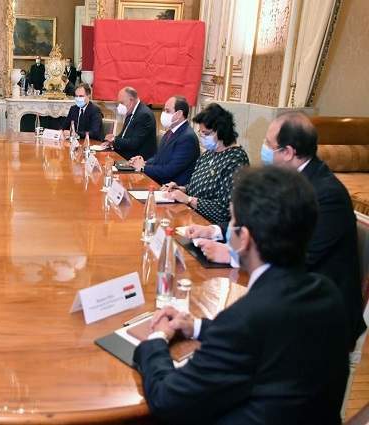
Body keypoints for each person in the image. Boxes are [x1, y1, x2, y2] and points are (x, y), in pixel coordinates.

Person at [135, 166, 350, 424]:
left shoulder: (246, 318)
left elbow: (167, 399)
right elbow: (266, 339)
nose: (229, 229)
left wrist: (156, 340)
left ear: (244, 239)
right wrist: (197, 327)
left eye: (232, 222)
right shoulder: (328, 294)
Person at [186, 111, 365, 348]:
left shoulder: (326, 195)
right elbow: (260, 221)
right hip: (285, 297)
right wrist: (215, 231)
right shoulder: (289, 177)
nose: (263, 149)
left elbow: (301, 257)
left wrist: (233, 254)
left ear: (288, 152)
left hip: (320, 319)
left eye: (268, 144)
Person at [162, 103, 249, 223]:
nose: (202, 136)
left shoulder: (236, 160)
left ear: (221, 132)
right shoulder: (210, 153)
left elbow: (225, 210)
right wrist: (181, 189)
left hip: (212, 226)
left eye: (206, 133)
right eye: (200, 132)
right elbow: (200, 186)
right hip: (192, 216)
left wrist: (189, 200)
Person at [129, 95, 199, 186]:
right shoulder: (171, 131)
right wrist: (143, 162)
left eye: (167, 111)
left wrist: (143, 168)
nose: (164, 114)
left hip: (172, 188)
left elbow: (170, 170)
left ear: (179, 114)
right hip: (159, 181)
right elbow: (159, 157)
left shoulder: (187, 138)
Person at [101, 87, 157, 160]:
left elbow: (134, 143)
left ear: (131, 101)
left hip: (137, 159)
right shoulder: (131, 111)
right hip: (126, 154)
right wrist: (112, 142)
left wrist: (114, 139)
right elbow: (123, 136)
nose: (120, 106)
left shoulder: (144, 115)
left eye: (122, 103)